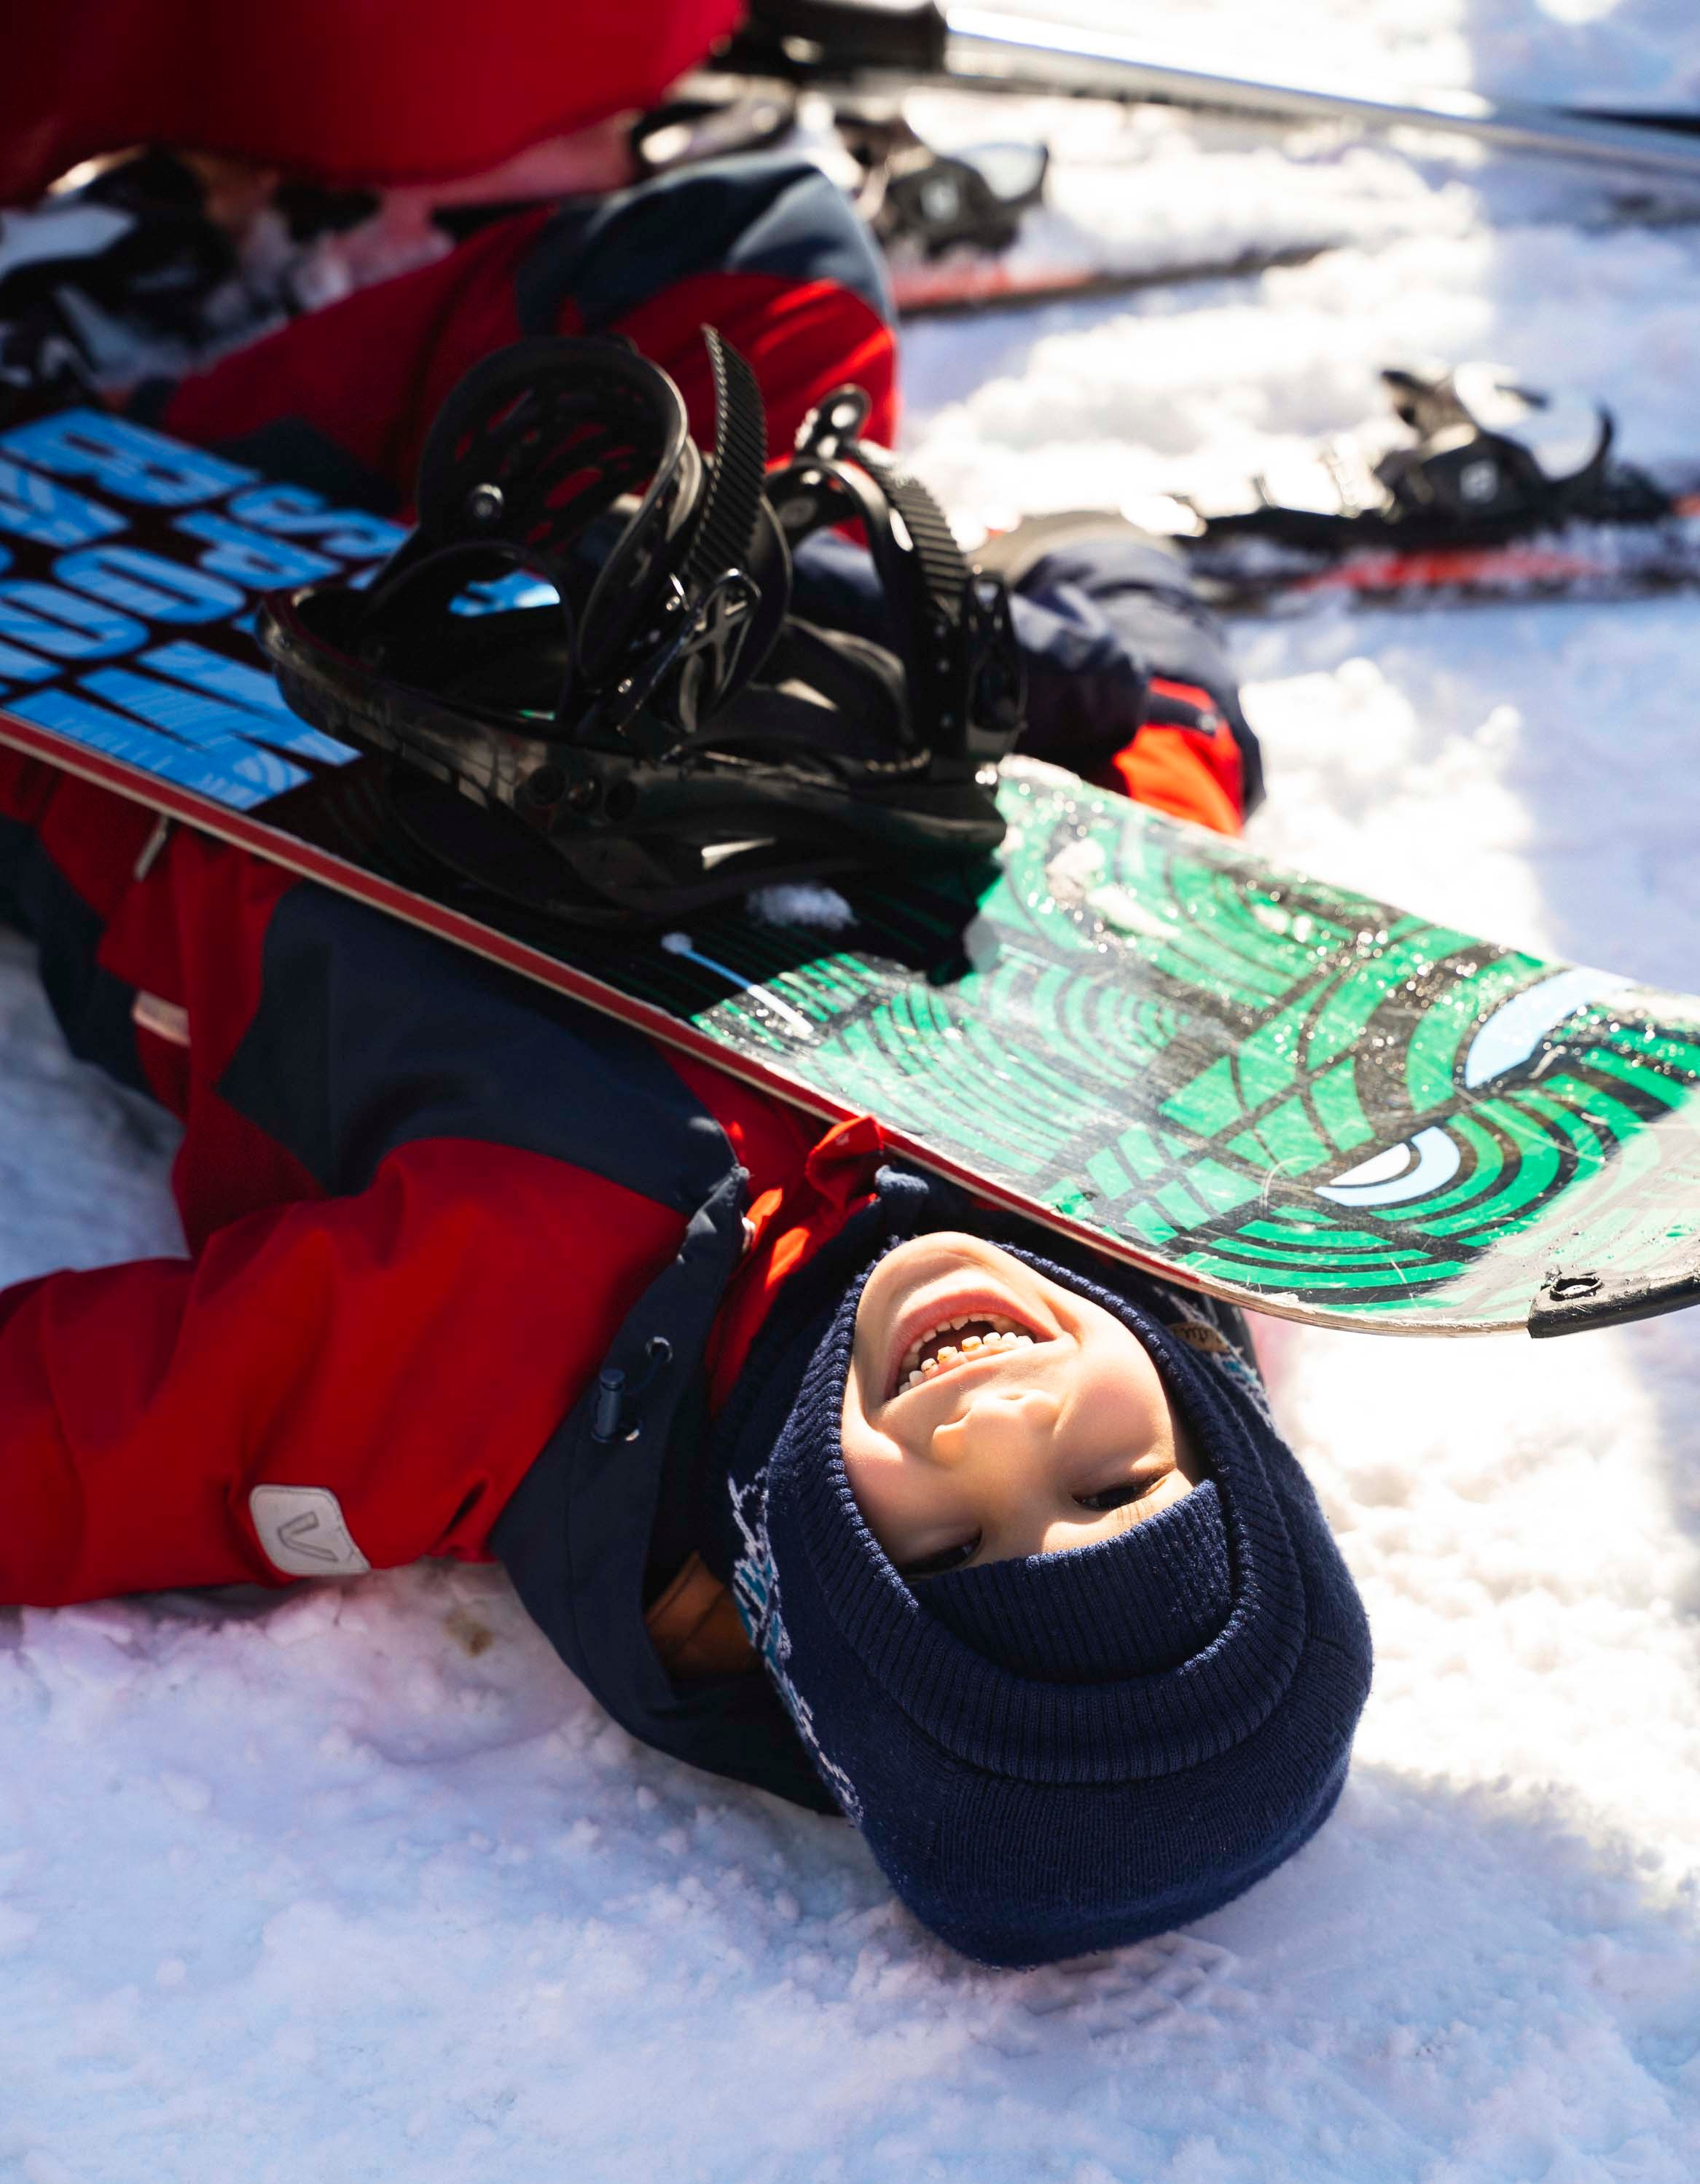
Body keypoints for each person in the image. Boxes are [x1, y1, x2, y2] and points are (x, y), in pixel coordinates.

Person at [0, 93, 1371, 1964]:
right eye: (1112, 1479)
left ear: (792, 1590)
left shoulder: (492, 1344)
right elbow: (1157, 796)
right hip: (600, 637)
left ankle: (87, 428)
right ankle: (208, 403)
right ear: (1217, 1423)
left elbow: (63, 1447)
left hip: (175, 730)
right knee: (764, 260)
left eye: (950, 1540)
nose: (1005, 1427)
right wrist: (1098, 649)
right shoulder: (1131, 1125)